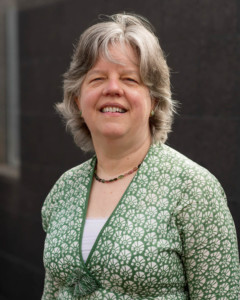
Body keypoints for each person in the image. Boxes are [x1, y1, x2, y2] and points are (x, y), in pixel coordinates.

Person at [41, 13, 240, 299]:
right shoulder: (63, 190)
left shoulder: (194, 190)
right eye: (97, 78)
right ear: (77, 99)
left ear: (153, 101)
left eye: (129, 79)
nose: (112, 89)